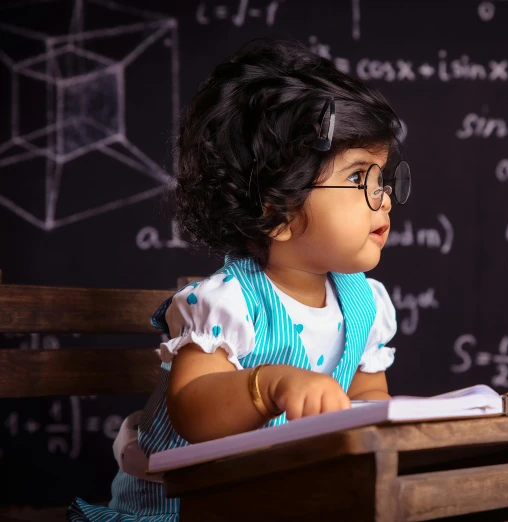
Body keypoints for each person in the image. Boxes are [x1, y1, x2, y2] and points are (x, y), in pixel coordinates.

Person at [67, 37, 411, 521]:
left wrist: (375, 421)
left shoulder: (364, 303)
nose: (384, 197)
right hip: (181, 505)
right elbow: (192, 408)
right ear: (276, 212)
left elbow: (368, 395)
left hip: (272, 499)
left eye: (382, 178)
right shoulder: (229, 302)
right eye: (358, 179)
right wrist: (267, 384)